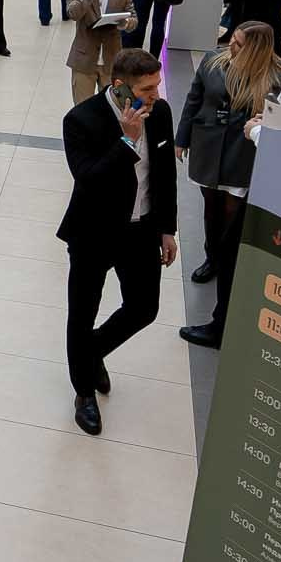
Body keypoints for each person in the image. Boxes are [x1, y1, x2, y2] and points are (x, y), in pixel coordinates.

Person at [57, 48, 178, 436]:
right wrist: (126, 141)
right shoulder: (81, 119)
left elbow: (164, 175)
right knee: (83, 311)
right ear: (120, 87)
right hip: (93, 232)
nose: (156, 94)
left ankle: (90, 353)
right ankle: (83, 392)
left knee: (144, 307)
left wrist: (166, 229)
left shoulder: (160, 113)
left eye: (157, 85)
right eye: (147, 88)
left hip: (141, 229)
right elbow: (88, 177)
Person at [175, 22, 281, 349]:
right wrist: (181, 139)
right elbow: (193, 101)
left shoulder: (276, 78)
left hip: (241, 154)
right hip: (208, 147)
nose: (230, 47)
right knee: (210, 207)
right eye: (231, 40)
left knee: (232, 214)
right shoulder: (212, 60)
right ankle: (211, 257)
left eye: (238, 44)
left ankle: (226, 260)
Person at [64, 0, 136, 104]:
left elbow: (134, 20)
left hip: (112, 62)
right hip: (84, 61)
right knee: (82, 110)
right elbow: (73, 14)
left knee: (116, 109)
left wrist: (126, 23)